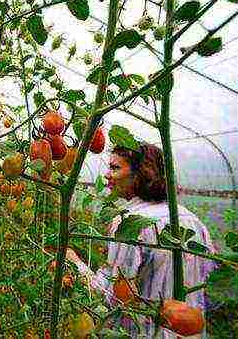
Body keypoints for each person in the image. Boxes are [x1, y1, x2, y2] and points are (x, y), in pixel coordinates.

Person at [66, 143, 217, 338]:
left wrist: (75, 263)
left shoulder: (129, 223)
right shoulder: (194, 221)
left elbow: (113, 297)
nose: (107, 175)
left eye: (115, 167)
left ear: (141, 174)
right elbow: (204, 282)